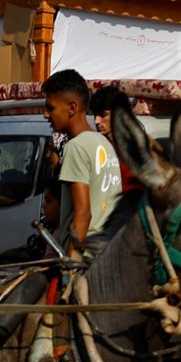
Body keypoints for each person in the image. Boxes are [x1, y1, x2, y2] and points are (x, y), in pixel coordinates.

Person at [41, 69, 122, 259]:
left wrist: (70, 268)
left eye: (50, 108)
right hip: (108, 252)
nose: (46, 115)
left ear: (71, 107)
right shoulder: (103, 144)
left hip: (85, 257)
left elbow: (83, 213)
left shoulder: (75, 147)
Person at [88, 86, 143, 194]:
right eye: (95, 115)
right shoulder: (95, 147)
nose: (97, 121)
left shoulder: (132, 149)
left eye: (103, 115)